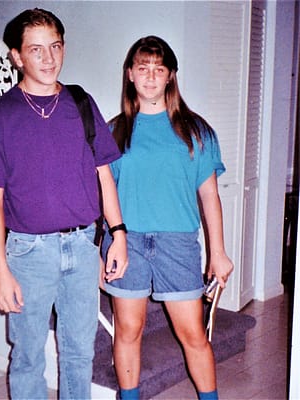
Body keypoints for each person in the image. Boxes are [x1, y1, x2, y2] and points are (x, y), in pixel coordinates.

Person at [0, 8, 128, 400]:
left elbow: (104, 174)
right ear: (16, 56)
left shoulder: (81, 104)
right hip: (28, 252)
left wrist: (117, 235)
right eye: (36, 50)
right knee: (29, 356)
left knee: (79, 352)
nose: (48, 58)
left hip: (83, 245)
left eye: (55, 47)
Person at [102, 36, 234, 400]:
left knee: (193, 334)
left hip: (177, 244)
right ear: (130, 74)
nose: (150, 76)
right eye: (142, 68)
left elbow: (209, 195)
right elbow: (104, 196)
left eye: (158, 69)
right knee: (128, 330)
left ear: (170, 76)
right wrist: (101, 247)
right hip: (127, 243)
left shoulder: (196, 131)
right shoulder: (113, 132)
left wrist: (218, 252)